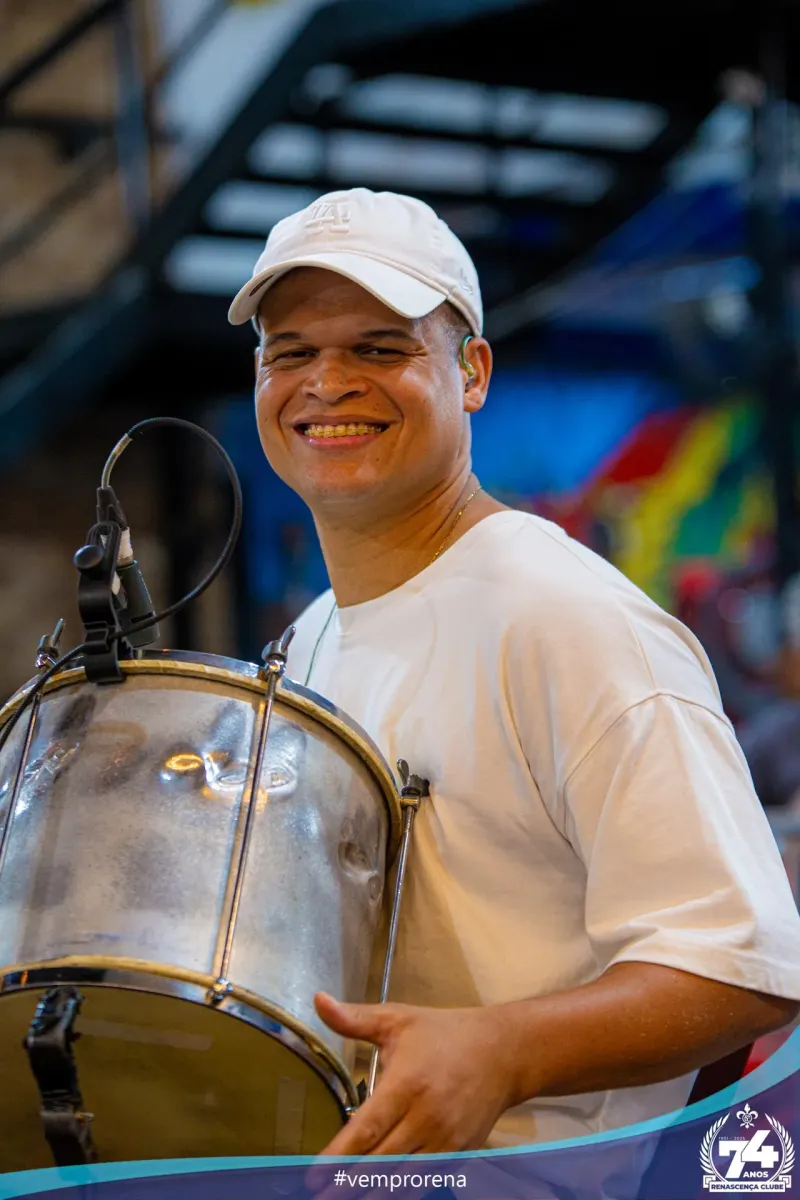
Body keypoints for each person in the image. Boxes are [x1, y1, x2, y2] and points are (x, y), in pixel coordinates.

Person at [227, 188, 800, 1161]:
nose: (326, 382)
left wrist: (503, 1052)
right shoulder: (308, 641)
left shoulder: (566, 619)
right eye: (291, 352)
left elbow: (746, 966)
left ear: (472, 373)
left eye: (378, 348)